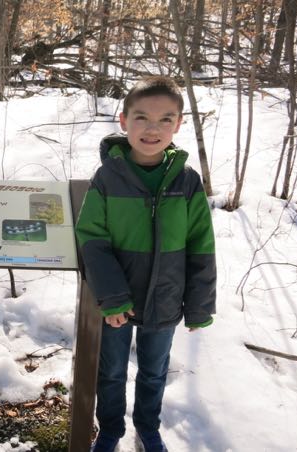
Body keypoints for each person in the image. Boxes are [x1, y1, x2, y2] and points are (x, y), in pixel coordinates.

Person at [75, 76, 216, 452]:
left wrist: (200, 305)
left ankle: (147, 428)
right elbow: (92, 239)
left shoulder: (186, 182)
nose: (152, 129)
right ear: (123, 121)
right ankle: (109, 430)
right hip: (116, 302)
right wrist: (113, 297)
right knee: (112, 371)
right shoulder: (107, 178)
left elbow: (201, 245)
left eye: (165, 119)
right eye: (141, 118)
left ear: (179, 124)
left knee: (153, 372)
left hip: (166, 298)